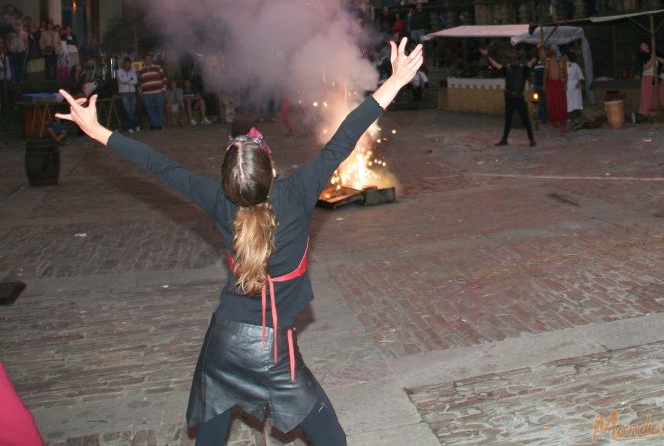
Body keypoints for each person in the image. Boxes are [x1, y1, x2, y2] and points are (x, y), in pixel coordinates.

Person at [55, 37, 423, 446]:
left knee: (210, 439)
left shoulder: (216, 198)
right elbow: (346, 135)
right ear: (271, 168)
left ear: (227, 179)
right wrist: (396, 80)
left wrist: (98, 130)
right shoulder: (298, 193)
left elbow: (159, 165)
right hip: (275, 354)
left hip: (224, 344)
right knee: (332, 439)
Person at [479, 47, 537, 147]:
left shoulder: (524, 69)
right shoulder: (506, 69)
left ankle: (531, 139)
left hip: (519, 98)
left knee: (525, 119)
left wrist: (538, 49)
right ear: (510, 61)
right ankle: (504, 140)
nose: (514, 61)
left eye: (516, 59)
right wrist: (487, 56)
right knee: (508, 120)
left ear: (518, 60)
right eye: (512, 59)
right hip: (509, 97)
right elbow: (495, 65)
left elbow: (533, 60)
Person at [637, 42, 664, 120]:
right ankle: (646, 114)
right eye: (642, 46)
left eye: (645, 44)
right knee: (648, 95)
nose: (645, 46)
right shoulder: (642, 56)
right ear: (641, 49)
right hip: (648, 77)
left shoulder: (656, 51)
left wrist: (656, 57)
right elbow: (646, 66)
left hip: (658, 76)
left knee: (660, 95)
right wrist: (652, 58)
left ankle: (662, 112)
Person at [545, 45, 569, 134]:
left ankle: (562, 121)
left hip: (559, 83)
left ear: (557, 50)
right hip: (550, 83)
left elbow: (566, 74)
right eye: (552, 49)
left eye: (555, 49)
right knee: (552, 102)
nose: (553, 50)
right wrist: (544, 85)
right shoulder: (547, 61)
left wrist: (565, 84)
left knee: (561, 102)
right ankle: (554, 121)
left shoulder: (561, 61)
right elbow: (545, 74)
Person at [138, 55, 166, 130]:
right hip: (146, 94)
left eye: (149, 59)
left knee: (159, 108)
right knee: (150, 109)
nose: (148, 60)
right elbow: (139, 82)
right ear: (144, 60)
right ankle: (154, 125)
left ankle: (158, 124)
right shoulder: (141, 70)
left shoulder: (158, 67)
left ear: (151, 60)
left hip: (158, 92)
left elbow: (164, 78)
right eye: (146, 59)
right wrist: (140, 92)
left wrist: (163, 89)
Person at [117, 58, 140, 133]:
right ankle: (134, 125)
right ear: (124, 64)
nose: (128, 65)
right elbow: (122, 80)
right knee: (128, 110)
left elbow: (135, 81)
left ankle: (133, 126)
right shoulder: (119, 71)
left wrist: (127, 80)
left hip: (132, 92)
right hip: (124, 93)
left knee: (132, 110)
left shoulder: (132, 72)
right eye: (126, 63)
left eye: (129, 63)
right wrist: (130, 79)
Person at [564, 51, 585, 128]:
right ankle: (570, 117)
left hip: (575, 84)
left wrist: (579, 82)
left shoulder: (575, 65)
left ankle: (576, 117)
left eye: (565, 56)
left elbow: (580, 74)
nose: (564, 57)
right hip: (568, 85)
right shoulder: (563, 66)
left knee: (576, 101)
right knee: (568, 101)